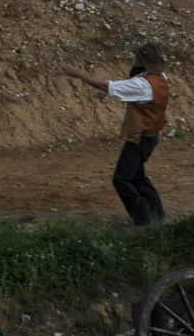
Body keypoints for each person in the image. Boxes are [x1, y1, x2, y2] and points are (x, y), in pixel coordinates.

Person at [62, 42, 170, 226]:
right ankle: (157, 215)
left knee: (122, 179)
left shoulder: (142, 85)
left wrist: (80, 75)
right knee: (136, 177)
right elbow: (121, 86)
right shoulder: (160, 78)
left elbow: (109, 87)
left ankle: (143, 219)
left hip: (141, 136)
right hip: (150, 134)